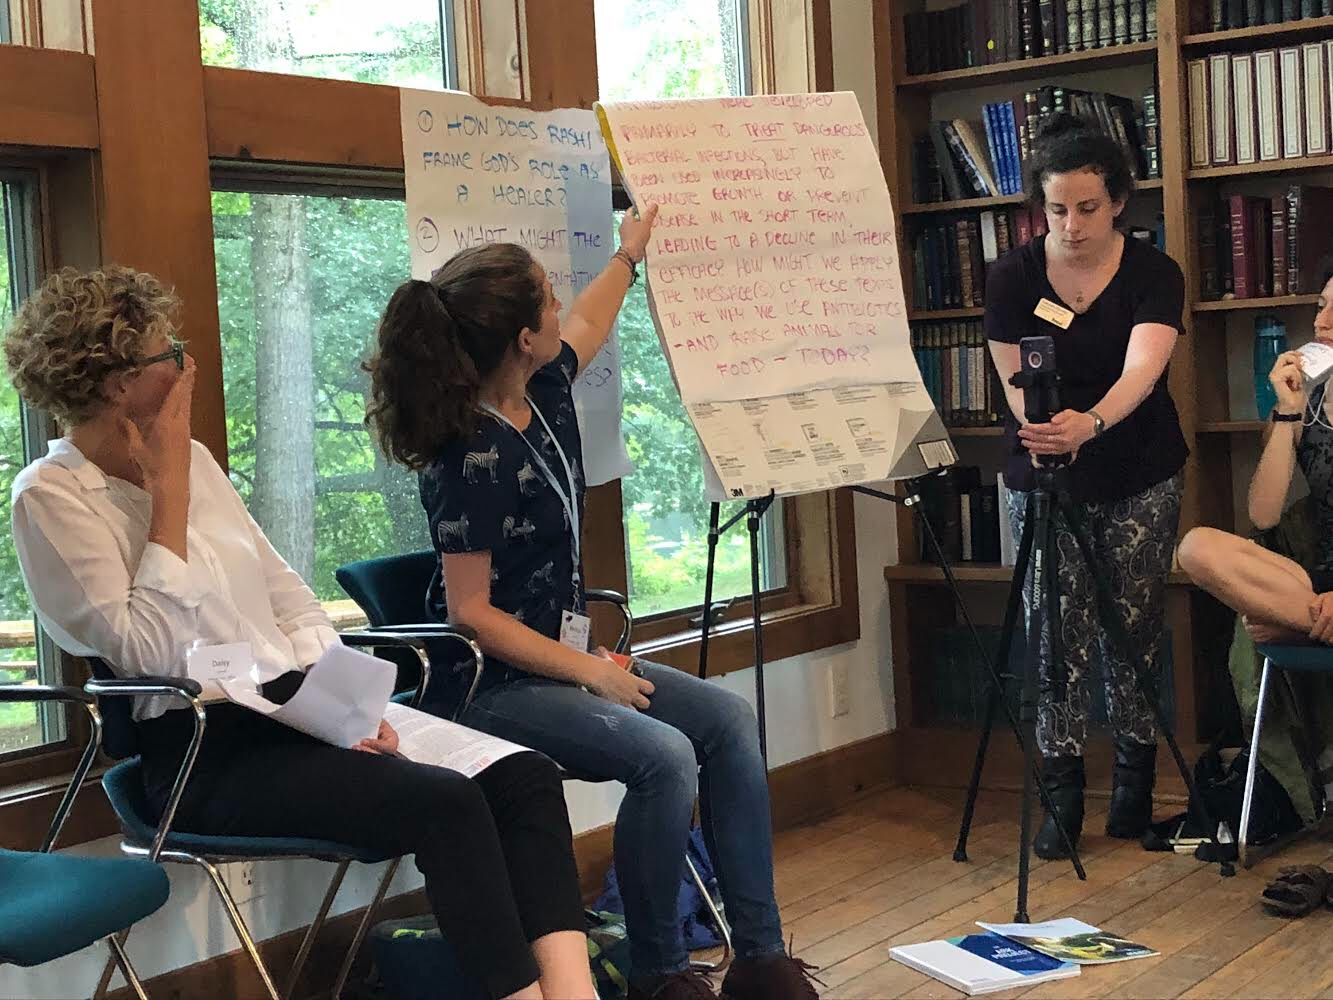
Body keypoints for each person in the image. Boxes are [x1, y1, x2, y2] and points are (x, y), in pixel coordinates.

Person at [5, 266, 595, 1000]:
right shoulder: (52, 497)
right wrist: (168, 499)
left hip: (303, 711)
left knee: (523, 776)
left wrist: (347, 708)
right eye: (170, 353)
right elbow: (150, 652)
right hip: (201, 751)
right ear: (117, 381)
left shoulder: (193, 460)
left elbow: (289, 599)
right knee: (445, 804)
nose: (185, 367)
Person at [363, 209, 818, 1000]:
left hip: (561, 660)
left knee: (726, 722)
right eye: (544, 298)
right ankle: (658, 973)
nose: (558, 305)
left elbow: (592, 317)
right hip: (485, 685)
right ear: (520, 339)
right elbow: (470, 612)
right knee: (662, 755)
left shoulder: (540, 388)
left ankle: (760, 958)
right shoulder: (467, 454)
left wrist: (629, 254)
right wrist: (590, 672)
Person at [983, 112, 1189, 860]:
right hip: (1042, 471)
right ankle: (1061, 792)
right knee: (1053, 633)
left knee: (1130, 626)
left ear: (1119, 204)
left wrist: (1089, 424)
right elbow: (1011, 377)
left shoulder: (1151, 273)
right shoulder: (1010, 275)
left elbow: (1143, 369)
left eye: (1087, 208)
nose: (1070, 224)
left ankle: (1134, 780)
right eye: (1056, 209)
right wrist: (1042, 430)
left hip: (1135, 466)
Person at [1179, 265, 1333, 642]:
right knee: (1196, 547)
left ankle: (1293, 623)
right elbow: (1263, 514)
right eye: (1322, 306)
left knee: (1269, 624)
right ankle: (1307, 618)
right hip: (1316, 582)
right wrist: (1288, 410)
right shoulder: (1308, 405)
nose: (1322, 322)